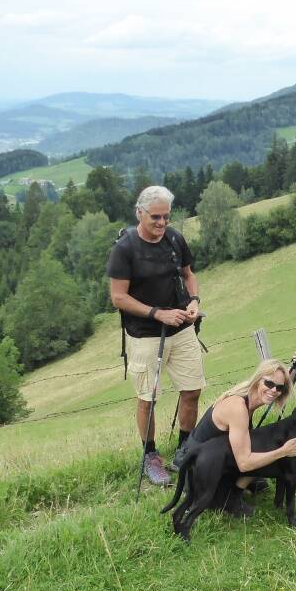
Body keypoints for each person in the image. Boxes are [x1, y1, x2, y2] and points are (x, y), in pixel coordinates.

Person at [107, 185, 205, 486]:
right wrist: (157, 313)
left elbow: (188, 274)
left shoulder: (175, 238)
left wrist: (193, 301)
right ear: (140, 213)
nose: (162, 223)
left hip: (183, 328)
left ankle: (185, 449)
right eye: (155, 217)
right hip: (145, 335)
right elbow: (118, 298)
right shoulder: (125, 249)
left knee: (192, 390)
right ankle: (150, 457)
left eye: (166, 217)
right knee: (148, 397)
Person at [173, 359, 296, 515]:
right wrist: (283, 451)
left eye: (279, 388)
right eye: (269, 384)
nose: (273, 390)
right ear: (258, 380)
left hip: (217, 458)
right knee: (260, 457)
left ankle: (233, 489)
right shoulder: (238, 407)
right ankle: (228, 499)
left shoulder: (249, 395)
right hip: (200, 468)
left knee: (260, 456)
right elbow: (244, 463)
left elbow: (282, 385)